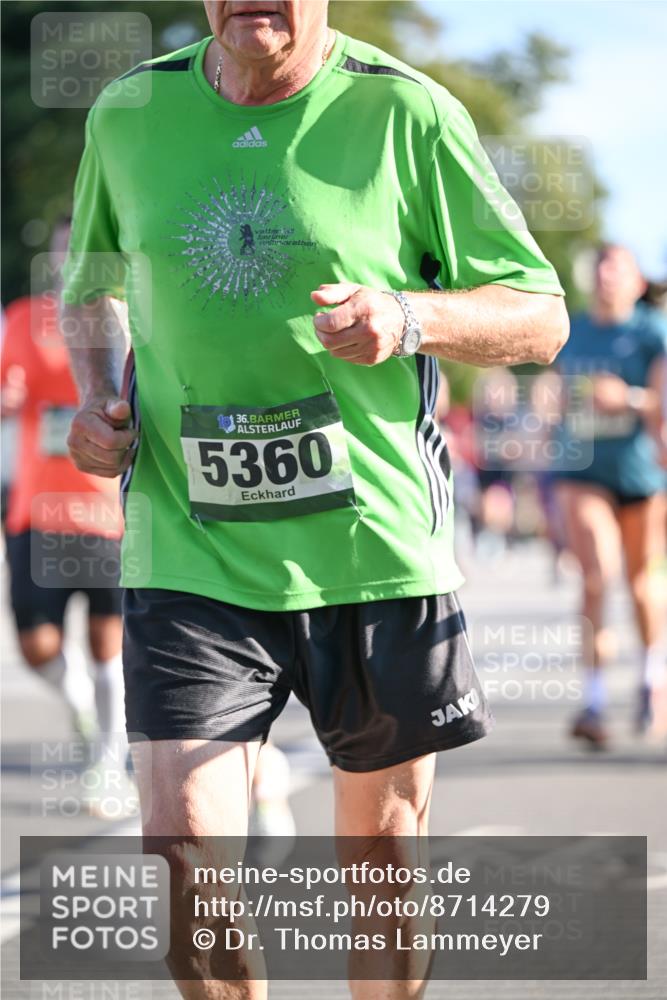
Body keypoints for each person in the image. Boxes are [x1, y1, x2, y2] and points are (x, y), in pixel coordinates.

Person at [61, 2, 568, 996]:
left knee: (380, 865)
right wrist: (95, 394)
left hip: (373, 550)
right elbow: (92, 284)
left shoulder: (405, 114)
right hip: (190, 547)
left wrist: (410, 316)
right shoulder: (127, 113)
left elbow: (539, 315)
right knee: (183, 850)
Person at [1, 218, 129, 813]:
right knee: (36, 645)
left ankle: (109, 764)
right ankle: (78, 705)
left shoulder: (128, 318)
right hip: (36, 509)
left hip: (104, 509)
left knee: (109, 645)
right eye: (61, 252)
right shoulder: (25, 318)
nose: (68, 260)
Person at [553, 244, 667, 748]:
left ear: (637, 282)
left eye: (617, 267)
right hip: (582, 469)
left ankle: (649, 680)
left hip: (640, 474)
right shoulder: (572, 330)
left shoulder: (650, 332)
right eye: (600, 266)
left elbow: (661, 403)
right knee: (597, 576)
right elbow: (556, 395)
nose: (606, 275)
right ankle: (594, 702)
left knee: (642, 584)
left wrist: (629, 398)